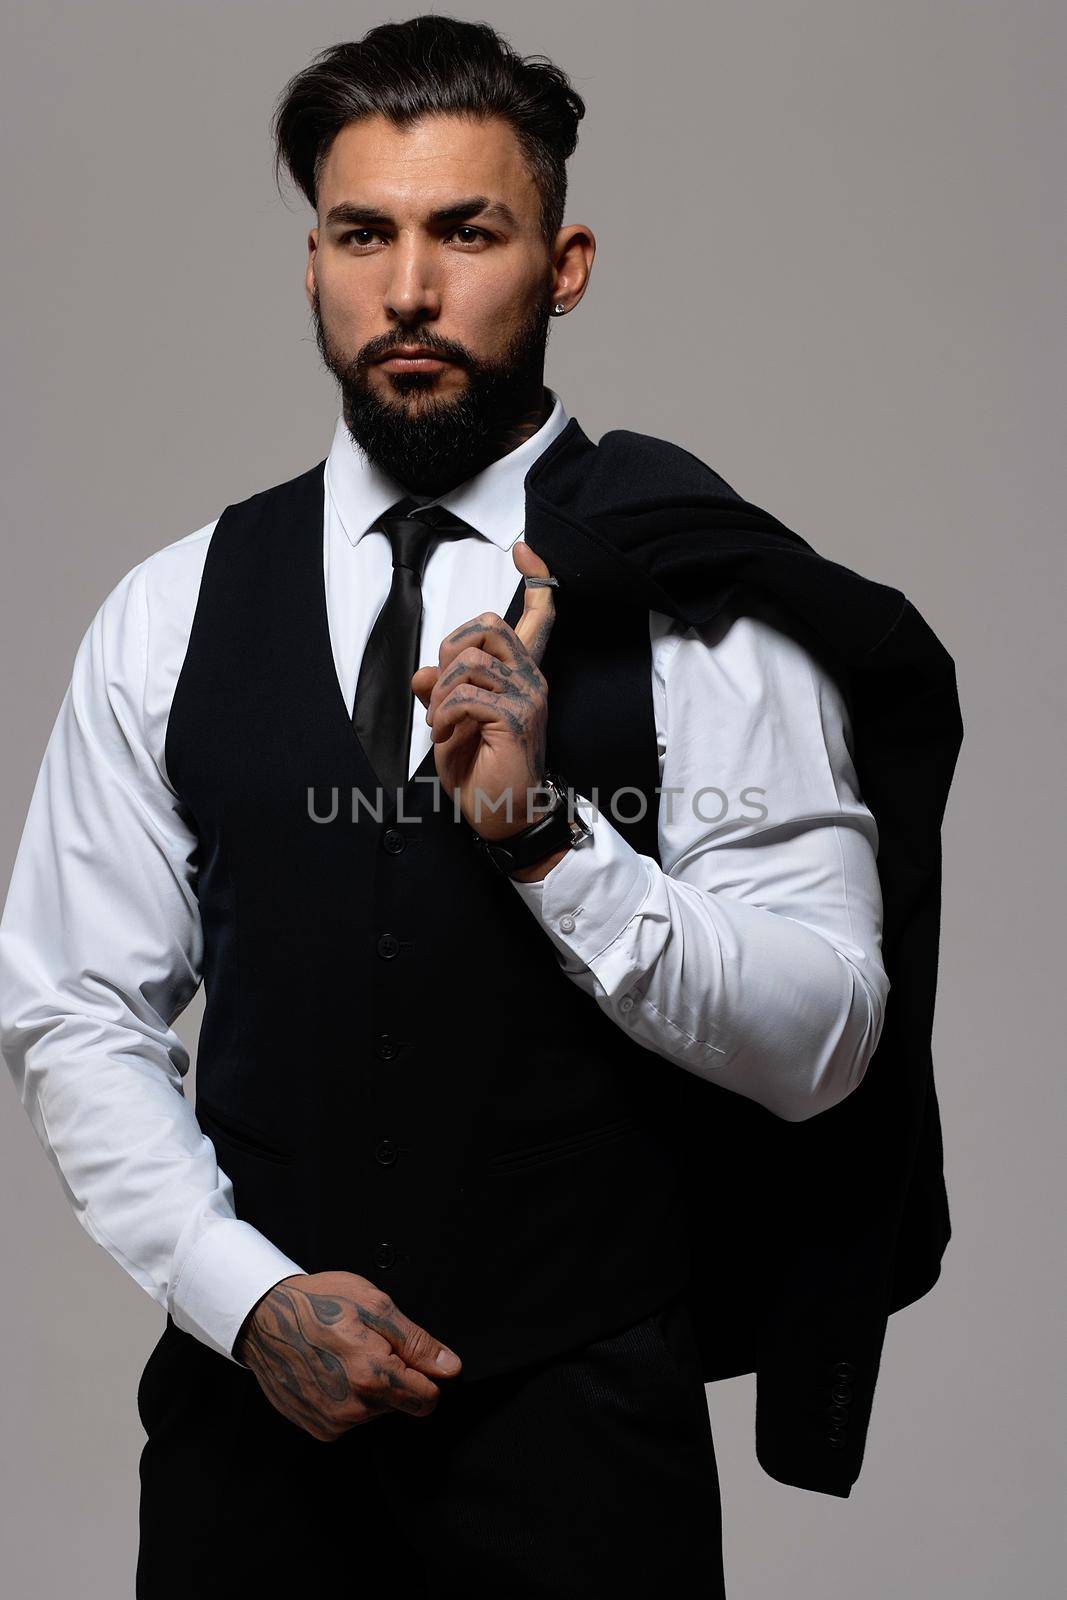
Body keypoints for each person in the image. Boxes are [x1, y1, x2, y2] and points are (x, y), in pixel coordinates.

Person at [0, 14, 962, 1598]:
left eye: (469, 231)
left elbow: (825, 1042)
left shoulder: (702, 608)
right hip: (253, 1446)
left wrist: (546, 840)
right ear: (310, 262)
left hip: (582, 1451)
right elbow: (74, 1010)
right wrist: (238, 1293)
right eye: (361, 234)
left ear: (563, 264)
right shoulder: (167, 613)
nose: (410, 289)